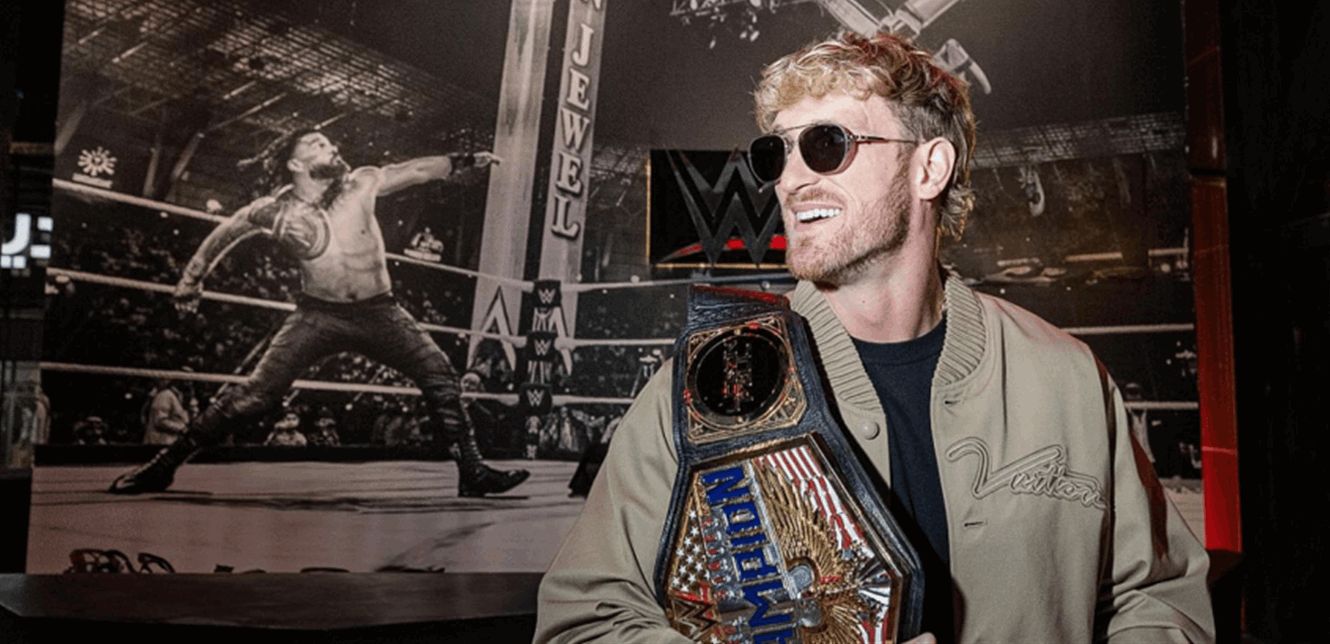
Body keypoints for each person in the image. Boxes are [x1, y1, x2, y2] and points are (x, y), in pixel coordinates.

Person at [535, 31, 1214, 643]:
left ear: (929, 168)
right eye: (777, 152)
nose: (791, 179)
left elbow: (1157, 599)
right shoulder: (709, 383)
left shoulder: (1066, 377)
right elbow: (584, 623)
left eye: (827, 145)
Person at [108, 129, 528, 498]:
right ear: (295, 164)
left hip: (380, 311)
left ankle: (473, 471)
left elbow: (414, 170)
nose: (331, 147)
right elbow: (230, 228)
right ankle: (163, 466)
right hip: (318, 315)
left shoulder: (360, 182)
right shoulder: (277, 210)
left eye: (329, 142)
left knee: (440, 374)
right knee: (255, 394)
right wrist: (192, 277)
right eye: (317, 144)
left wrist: (463, 160)